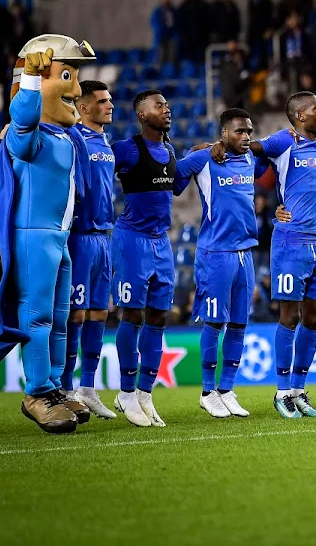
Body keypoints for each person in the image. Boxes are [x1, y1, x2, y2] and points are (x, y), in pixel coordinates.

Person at [0, 34, 98, 434]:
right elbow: (24, 120)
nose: (76, 89)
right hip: (34, 236)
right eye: (66, 76)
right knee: (38, 316)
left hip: (59, 238)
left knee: (60, 319)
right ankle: (37, 392)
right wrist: (29, 80)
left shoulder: (61, 137)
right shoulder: (23, 135)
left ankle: (56, 388)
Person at [110, 89, 201, 427]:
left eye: (167, 104)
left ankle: (146, 394)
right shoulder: (127, 148)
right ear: (142, 115)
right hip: (132, 240)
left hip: (162, 243)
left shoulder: (169, 150)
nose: (167, 109)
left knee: (159, 316)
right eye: (158, 105)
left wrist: (194, 156)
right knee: (132, 313)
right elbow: (95, 165)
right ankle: (125, 392)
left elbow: (175, 186)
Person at [183, 109, 267, 419]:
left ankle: (226, 389)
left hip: (245, 252)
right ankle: (207, 391)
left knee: (240, 323)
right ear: (223, 135)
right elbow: (175, 174)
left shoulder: (249, 159)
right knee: (215, 322)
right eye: (239, 132)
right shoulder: (205, 159)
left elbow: (269, 153)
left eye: (249, 131)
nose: (246, 136)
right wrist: (200, 148)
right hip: (216, 253)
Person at [253, 93, 316, 419]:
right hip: (291, 243)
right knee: (290, 316)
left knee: (315, 316)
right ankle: (282, 391)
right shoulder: (284, 141)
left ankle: (299, 391)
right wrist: (215, 147)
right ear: (300, 116)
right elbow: (252, 148)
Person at [59, 80, 119, 420]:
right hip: (80, 237)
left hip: (104, 237)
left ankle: (88, 388)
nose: (110, 105)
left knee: (100, 312)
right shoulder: (74, 137)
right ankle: (65, 388)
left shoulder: (106, 142)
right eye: (103, 101)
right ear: (84, 108)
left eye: (110, 100)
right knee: (75, 314)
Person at [151, 0, 177, 66]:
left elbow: (175, 23)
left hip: (171, 36)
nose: (166, 1)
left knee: (171, 55)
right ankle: (161, 72)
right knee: (161, 55)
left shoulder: (173, 10)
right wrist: (160, 30)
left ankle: (171, 70)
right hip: (161, 36)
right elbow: (154, 23)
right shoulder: (157, 11)